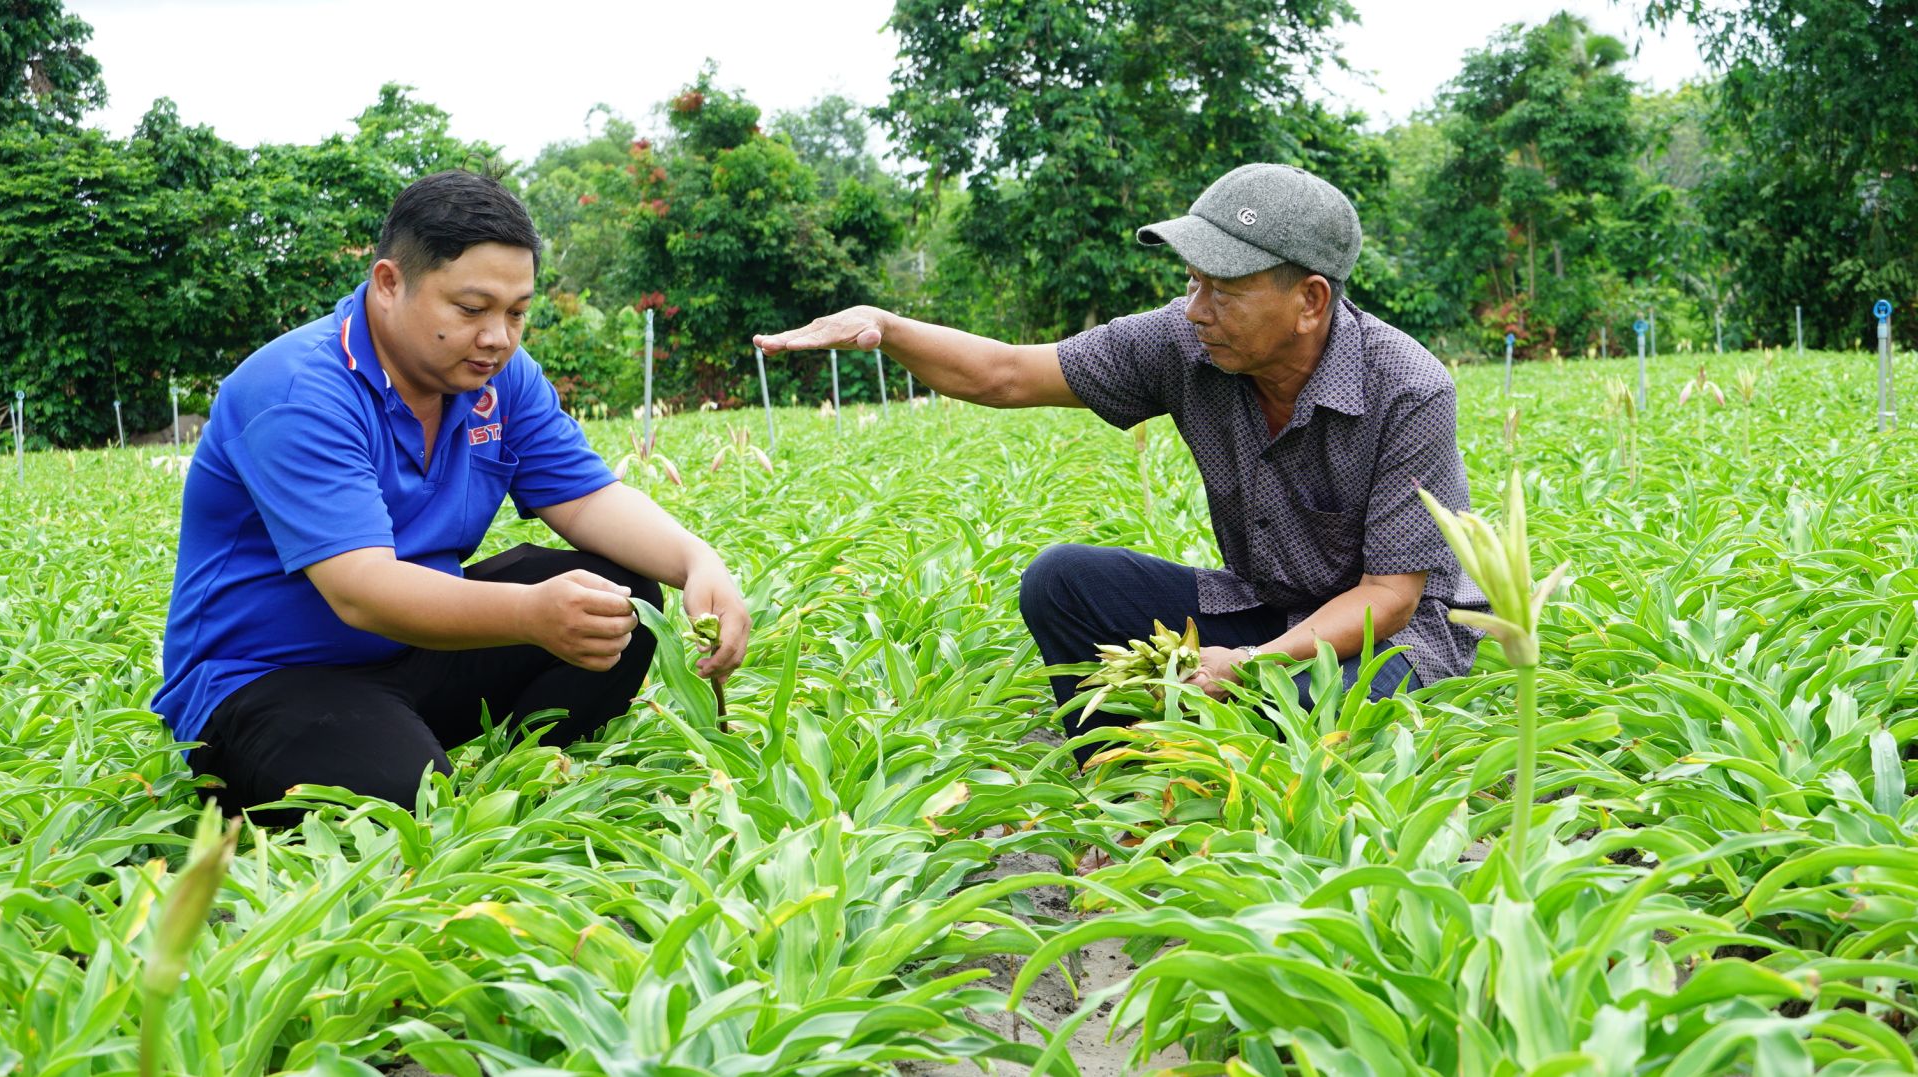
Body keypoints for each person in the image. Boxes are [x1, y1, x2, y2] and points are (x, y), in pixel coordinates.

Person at [756, 164, 1484, 759]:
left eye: (1223, 290)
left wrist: (1254, 665)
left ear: (1310, 301)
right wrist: (885, 327)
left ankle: (1198, 771)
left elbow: (1388, 596)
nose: (1196, 308)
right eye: (1192, 280)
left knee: (1293, 714)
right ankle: (1119, 775)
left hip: (1394, 636)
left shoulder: (1407, 387)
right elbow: (1007, 374)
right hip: (1264, 604)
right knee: (1063, 582)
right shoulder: (1184, 341)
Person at [155, 170, 749, 820]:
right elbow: (360, 589)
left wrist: (698, 559)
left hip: (420, 647)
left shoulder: (498, 377)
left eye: (517, 312)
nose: (498, 336)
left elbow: (584, 498)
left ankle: (525, 768)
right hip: (266, 677)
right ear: (389, 284)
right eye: (471, 309)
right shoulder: (298, 390)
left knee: (621, 595)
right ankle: (354, 756)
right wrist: (527, 614)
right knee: (407, 798)